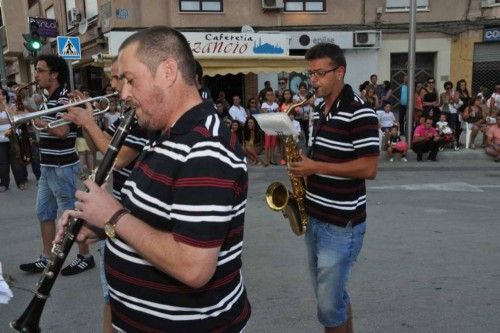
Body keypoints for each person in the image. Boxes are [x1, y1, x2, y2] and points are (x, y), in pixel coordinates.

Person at [55, 26, 251, 332]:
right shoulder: (164, 133)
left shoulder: (205, 148)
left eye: (131, 80)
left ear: (168, 72)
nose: (123, 93)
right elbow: (156, 220)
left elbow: (193, 266)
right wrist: (100, 226)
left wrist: (113, 216)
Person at [289, 43, 379, 333]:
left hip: (341, 225)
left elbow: (368, 168)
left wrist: (315, 168)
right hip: (315, 216)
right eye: (310, 74)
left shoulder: (360, 112)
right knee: (333, 299)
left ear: (340, 72)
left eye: (320, 73)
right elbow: (322, 155)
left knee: (328, 306)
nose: (313, 81)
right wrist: (302, 164)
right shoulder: (318, 108)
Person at [63, 56, 150, 333]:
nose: (112, 86)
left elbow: (119, 158)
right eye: (112, 79)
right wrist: (85, 122)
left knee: (115, 297)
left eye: (117, 78)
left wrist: (89, 123)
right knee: (110, 295)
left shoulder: (142, 120)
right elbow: (102, 146)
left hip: (131, 212)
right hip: (120, 207)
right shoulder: (126, 115)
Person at [19, 55, 94, 275]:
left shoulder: (63, 98)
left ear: (54, 74)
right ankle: (47, 257)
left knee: (70, 214)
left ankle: (85, 256)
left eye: (41, 70)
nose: (36, 75)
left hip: (62, 167)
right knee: (44, 212)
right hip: (48, 166)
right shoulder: (47, 98)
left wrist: (41, 122)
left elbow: (63, 132)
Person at [0, 88, 29, 192]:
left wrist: (6, 107)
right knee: (2, 164)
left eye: (1, 94)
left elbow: (15, 118)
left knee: (16, 162)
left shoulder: (11, 106)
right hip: (1, 141)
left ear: (4, 96)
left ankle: (20, 182)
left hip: (13, 138)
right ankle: (4, 184)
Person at [261, 87, 279, 165]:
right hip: (267, 126)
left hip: (274, 125)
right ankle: (266, 159)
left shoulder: (276, 104)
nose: (270, 96)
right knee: (267, 143)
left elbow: (278, 114)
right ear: (266, 96)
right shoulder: (264, 104)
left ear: (273, 96)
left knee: (273, 143)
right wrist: (273, 112)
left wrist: (271, 113)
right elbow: (264, 113)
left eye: (271, 95)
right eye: (268, 95)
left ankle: (272, 158)